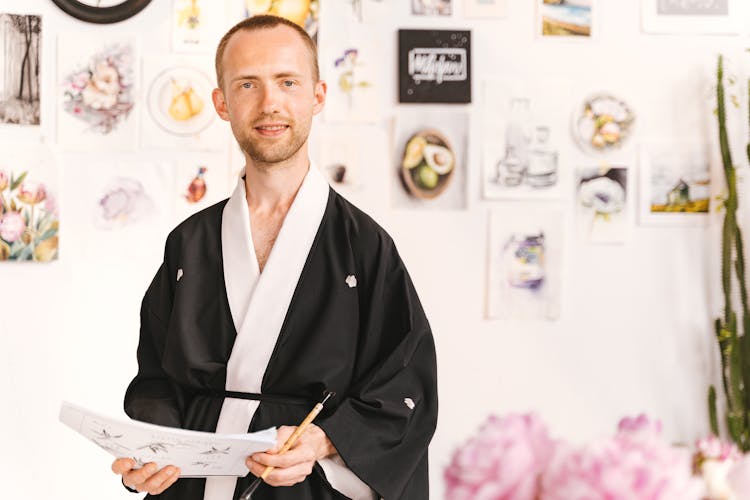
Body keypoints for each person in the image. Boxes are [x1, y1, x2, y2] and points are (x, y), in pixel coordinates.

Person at [110, 14, 438, 500]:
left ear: (318, 95)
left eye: (288, 82)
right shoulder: (190, 242)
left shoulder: (365, 247)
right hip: (196, 485)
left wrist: (322, 439)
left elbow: (405, 390)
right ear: (222, 103)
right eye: (247, 84)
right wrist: (153, 451)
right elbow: (157, 381)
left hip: (306, 486)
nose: (270, 104)